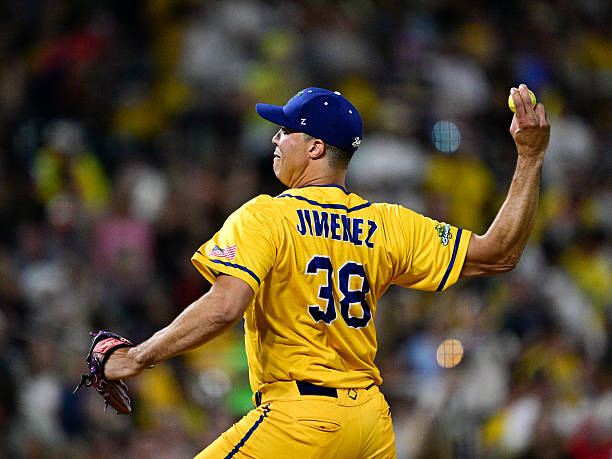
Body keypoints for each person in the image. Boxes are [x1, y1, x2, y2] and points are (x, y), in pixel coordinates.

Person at [104, 85, 550, 458]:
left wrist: (138, 357)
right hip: (370, 425)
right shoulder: (388, 223)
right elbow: (499, 254)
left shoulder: (266, 216)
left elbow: (225, 307)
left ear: (315, 147)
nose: (275, 139)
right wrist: (530, 157)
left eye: (286, 131)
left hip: (299, 420)